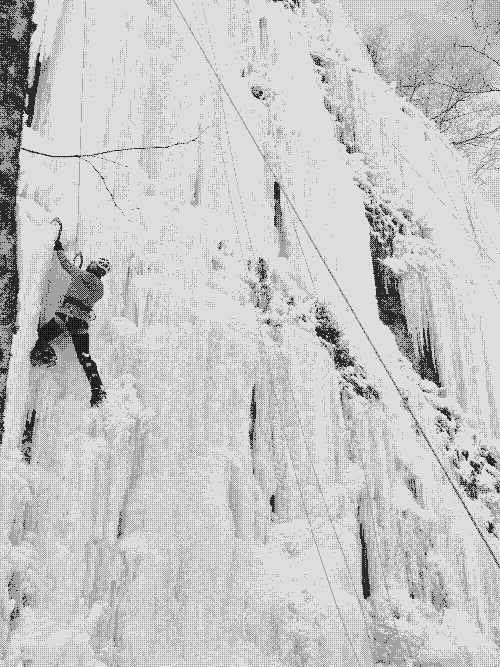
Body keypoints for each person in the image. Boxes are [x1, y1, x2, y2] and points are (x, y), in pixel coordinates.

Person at [30, 223, 111, 407]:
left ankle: (45, 357)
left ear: (94, 266)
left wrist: (58, 247)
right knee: (84, 356)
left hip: (66, 316)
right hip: (81, 323)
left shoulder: (83, 275)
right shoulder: (101, 289)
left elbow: (67, 265)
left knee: (43, 336)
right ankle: (97, 389)